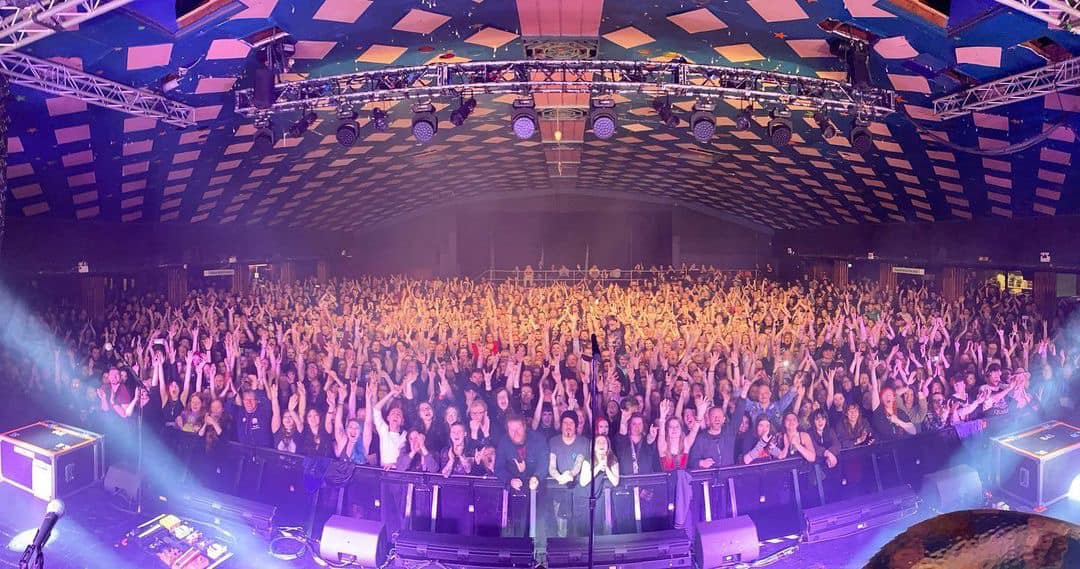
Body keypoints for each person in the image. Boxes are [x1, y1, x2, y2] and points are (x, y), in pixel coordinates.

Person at [689, 376, 749, 469]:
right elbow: (691, 461)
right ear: (708, 419)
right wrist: (701, 463)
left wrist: (744, 392)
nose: (717, 419)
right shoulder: (701, 438)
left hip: (728, 476)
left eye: (719, 417)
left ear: (724, 419)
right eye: (714, 417)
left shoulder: (729, 432)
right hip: (709, 478)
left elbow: (739, 413)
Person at [548, 411, 588, 537]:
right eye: (565, 422)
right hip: (559, 490)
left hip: (578, 491)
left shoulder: (584, 442)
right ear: (561, 425)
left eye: (571, 422)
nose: (568, 425)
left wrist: (570, 474)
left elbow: (579, 463)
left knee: (578, 529)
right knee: (562, 530)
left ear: (576, 425)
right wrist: (559, 477)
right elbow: (552, 465)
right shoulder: (553, 441)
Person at [578, 434, 620, 535]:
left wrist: (606, 468)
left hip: (601, 498)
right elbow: (583, 482)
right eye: (598, 442)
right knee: (586, 529)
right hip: (585, 499)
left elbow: (615, 482)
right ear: (593, 446)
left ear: (608, 445)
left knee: (602, 528)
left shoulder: (612, 459)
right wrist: (598, 467)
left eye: (604, 442)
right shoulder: (588, 460)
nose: (601, 444)